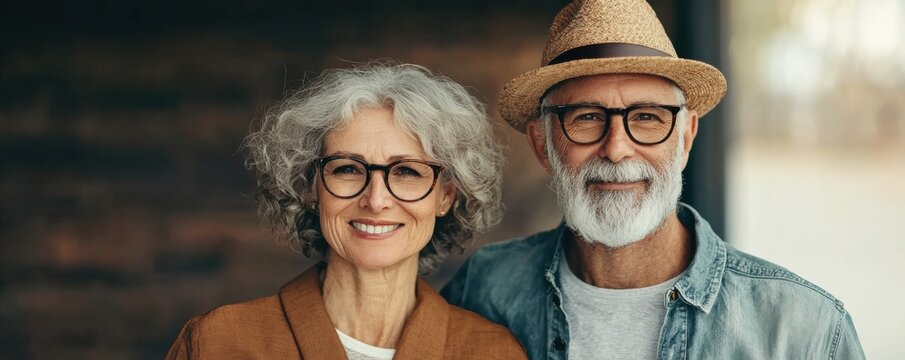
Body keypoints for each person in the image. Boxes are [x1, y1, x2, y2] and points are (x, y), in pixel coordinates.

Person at [441, 0, 865, 359]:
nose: (617, 148)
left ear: (685, 139)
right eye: (586, 118)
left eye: (646, 117)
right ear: (543, 144)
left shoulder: (803, 330)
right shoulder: (483, 290)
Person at [166, 63, 527, 359]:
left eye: (407, 172)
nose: (375, 199)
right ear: (310, 187)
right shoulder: (217, 343)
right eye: (347, 169)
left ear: (445, 197)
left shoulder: (492, 353)